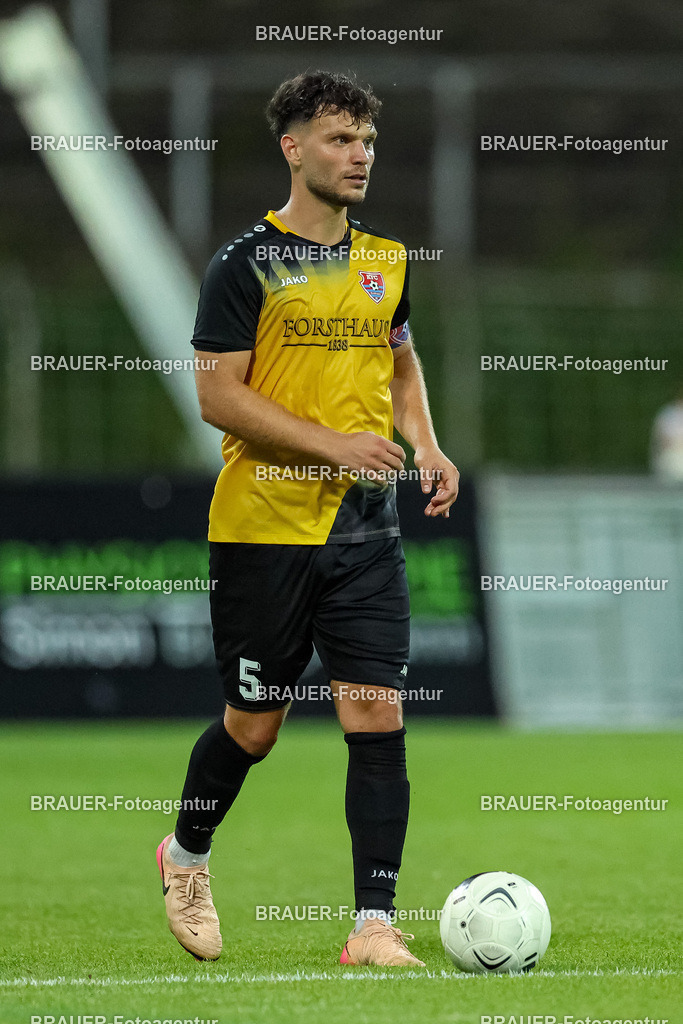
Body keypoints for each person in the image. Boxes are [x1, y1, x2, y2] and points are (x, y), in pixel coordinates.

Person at [156, 70, 459, 967]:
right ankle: (186, 853)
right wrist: (335, 445)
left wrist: (426, 444)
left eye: (365, 138)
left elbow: (399, 363)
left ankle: (373, 927)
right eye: (338, 138)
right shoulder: (244, 263)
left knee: (375, 711)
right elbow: (217, 396)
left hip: (366, 532)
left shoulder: (385, 260)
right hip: (263, 529)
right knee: (255, 725)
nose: (359, 153)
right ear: (292, 148)